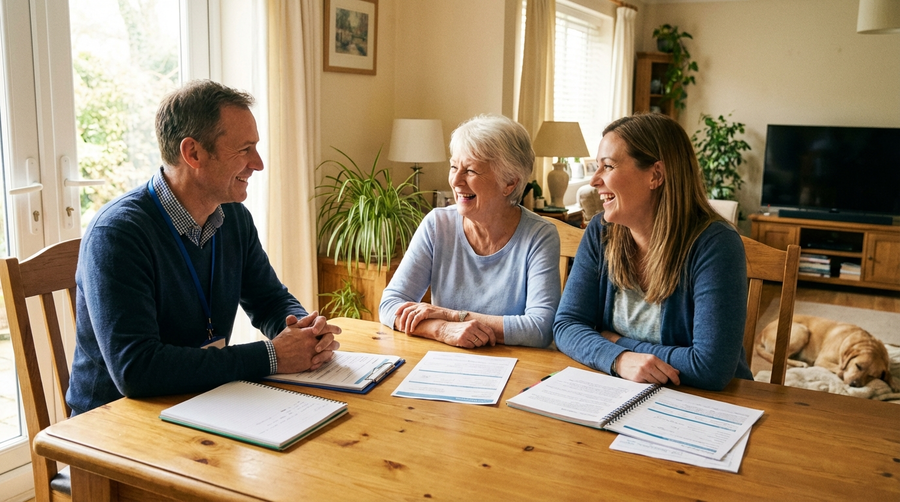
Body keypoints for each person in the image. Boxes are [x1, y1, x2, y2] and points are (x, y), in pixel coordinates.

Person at [67, 80, 341, 415]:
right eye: (244, 150)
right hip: (113, 426)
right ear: (193, 153)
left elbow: (269, 299)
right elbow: (137, 370)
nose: (258, 163)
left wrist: (304, 331)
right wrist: (272, 356)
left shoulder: (233, 217)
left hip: (201, 403)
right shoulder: (118, 233)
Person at [554, 113, 750, 391]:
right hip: (621, 391)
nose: (595, 180)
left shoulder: (716, 244)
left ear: (655, 175)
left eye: (608, 166)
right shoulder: (601, 232)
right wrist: (620, 360)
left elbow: (710, 367)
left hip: (709, 404)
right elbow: (566, 326)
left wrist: (615, 342)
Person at [378, 114, 560, 348]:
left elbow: (539, 328)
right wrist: (442, 329)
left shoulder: (539, 236)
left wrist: (452, 316)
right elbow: (390, 304)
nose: (455, 180)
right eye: (454, 167)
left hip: (514, 366)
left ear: (509, 183)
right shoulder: (437, 224)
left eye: (471, 171)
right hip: (445, 362)